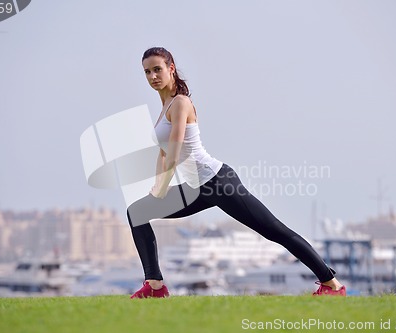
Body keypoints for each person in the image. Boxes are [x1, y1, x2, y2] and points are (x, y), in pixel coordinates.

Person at [127, 46, 346, 298]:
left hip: (218, 182)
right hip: (197, 188)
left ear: (171, 69)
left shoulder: (180, 103)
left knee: (274, 230)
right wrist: (157, 188)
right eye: (147, 72)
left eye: (157, 69)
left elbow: (174, 153)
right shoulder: (165, 105)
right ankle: (155, 286)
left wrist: (162, 190)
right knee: (137, 213)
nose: (153, 76)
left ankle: (332, 285)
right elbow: (163, 153)